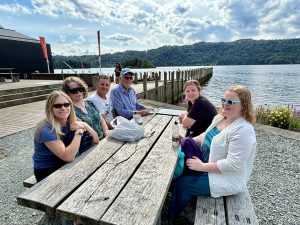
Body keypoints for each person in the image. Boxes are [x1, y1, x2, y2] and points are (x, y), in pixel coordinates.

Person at [169, 85, 257, 220]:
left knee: (183, 184)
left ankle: (172, 216)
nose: (225, 104)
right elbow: (205, 136)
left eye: (231, 102)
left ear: (244, 105)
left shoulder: (243, 130)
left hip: (225, 177)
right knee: (176, 168)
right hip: (206, 161)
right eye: (224, 100)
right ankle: (179, 201)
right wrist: (187, 140)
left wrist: (202, 167)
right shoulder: (221, 118)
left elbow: (234, 164)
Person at [33, 91, 99, 182]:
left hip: (65, 165)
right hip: (49, 171)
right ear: (50, 108)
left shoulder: (70, 121)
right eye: (57, 106)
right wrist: (79, 132)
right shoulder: (46, 129)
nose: (63, 108)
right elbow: (68, 157)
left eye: (66, 104)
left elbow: (95, 140)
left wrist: (84, 124)